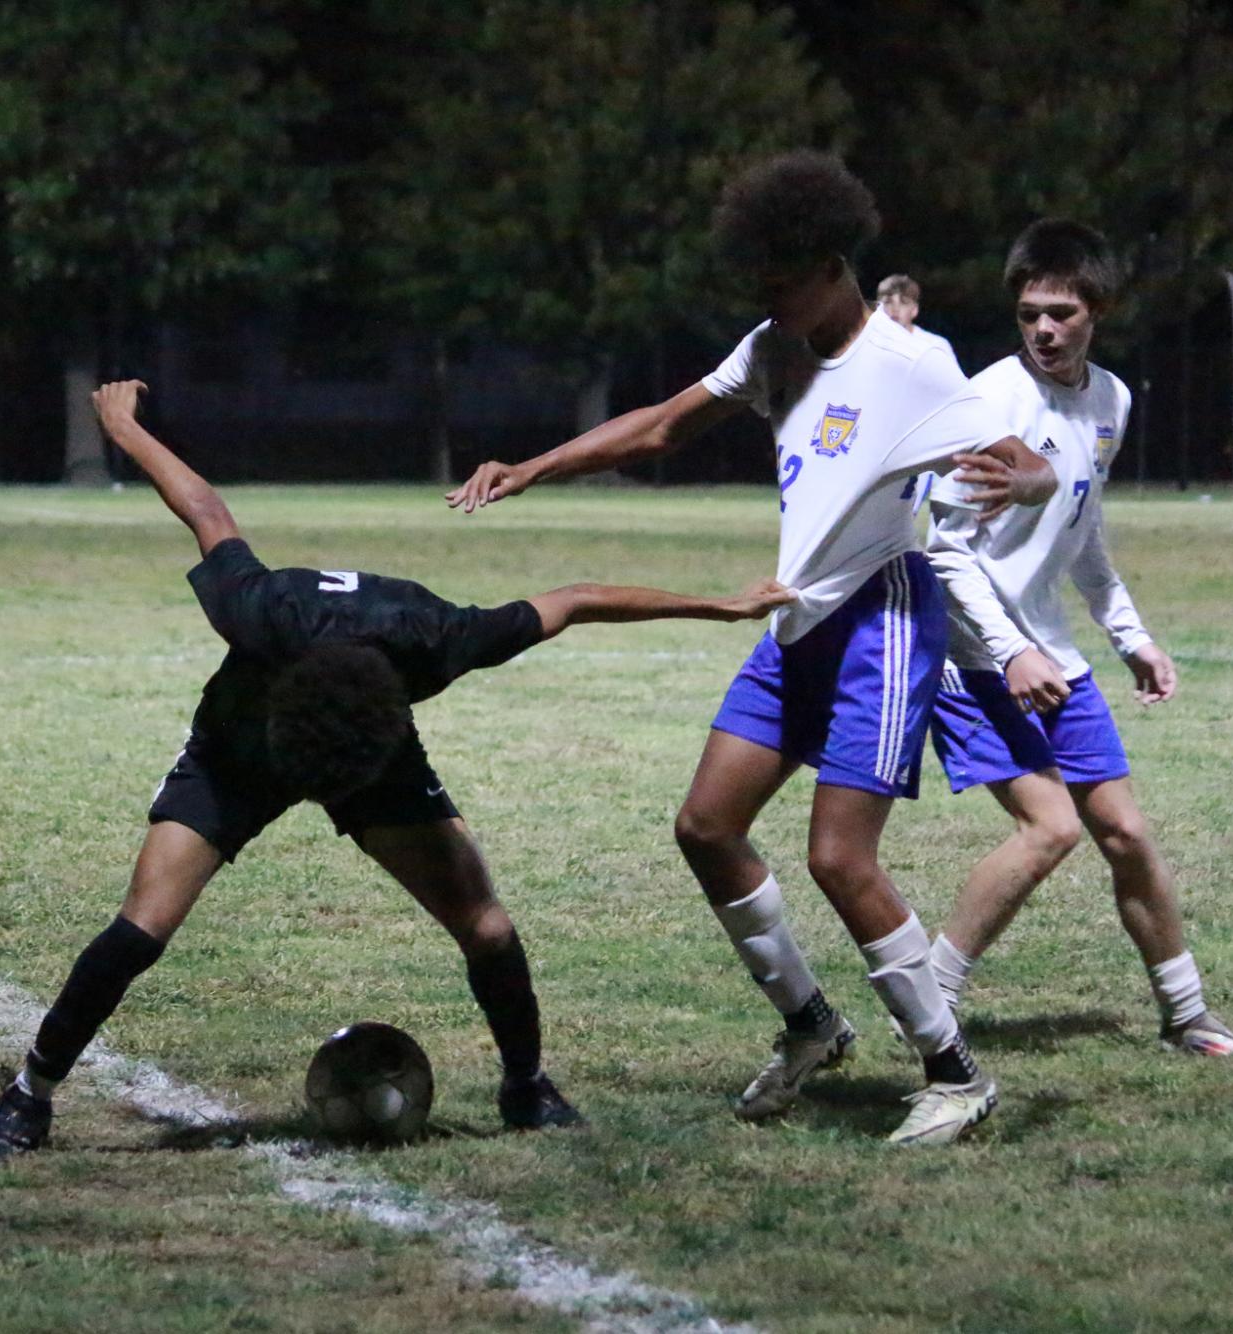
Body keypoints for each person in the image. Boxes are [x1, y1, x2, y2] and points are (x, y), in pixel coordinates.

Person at [0, 379, 797, 1158]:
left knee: (487, 926)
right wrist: (121, 428)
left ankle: (525, 1087)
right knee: (141, 926)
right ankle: (28, 1096)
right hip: (242, 747)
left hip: (373, 757)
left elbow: (574, 598)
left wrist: (718, 604)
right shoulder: (260, 615)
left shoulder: (431, 639)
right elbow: (205, 508)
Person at [447, 151, 1059, 1146]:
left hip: (882, 619)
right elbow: (659, 429)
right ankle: (812, 1025)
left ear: (830, 264)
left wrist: (1020, 485)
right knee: (705, 824)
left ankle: (954, 1072)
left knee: (838, 858)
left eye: (780, 282)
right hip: (796, 620)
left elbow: (1027, 461)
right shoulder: (776, 344)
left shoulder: (913, 367)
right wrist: (533, 466)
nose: (768, 302)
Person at [921, 219, 1233, 1057]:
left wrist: (1128, 635)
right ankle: (922, 1001)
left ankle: (1187, 1018)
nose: (1043, 329)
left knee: (1126, 834)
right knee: (1049, 831)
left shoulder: (1109, 400)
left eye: (1061, 313)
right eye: (1030, 312)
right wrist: (1009, 652)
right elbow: (941, 547)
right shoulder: (985, 403)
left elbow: (1084, 529)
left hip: (1051, 657)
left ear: (1097, 311)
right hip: (973, 661)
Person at [876, 274, 960, 369]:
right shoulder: (866, 344)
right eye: (888, 302)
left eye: (903, 302)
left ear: (914, 310)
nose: (896, 308)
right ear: (878, 307)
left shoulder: (936, 346)